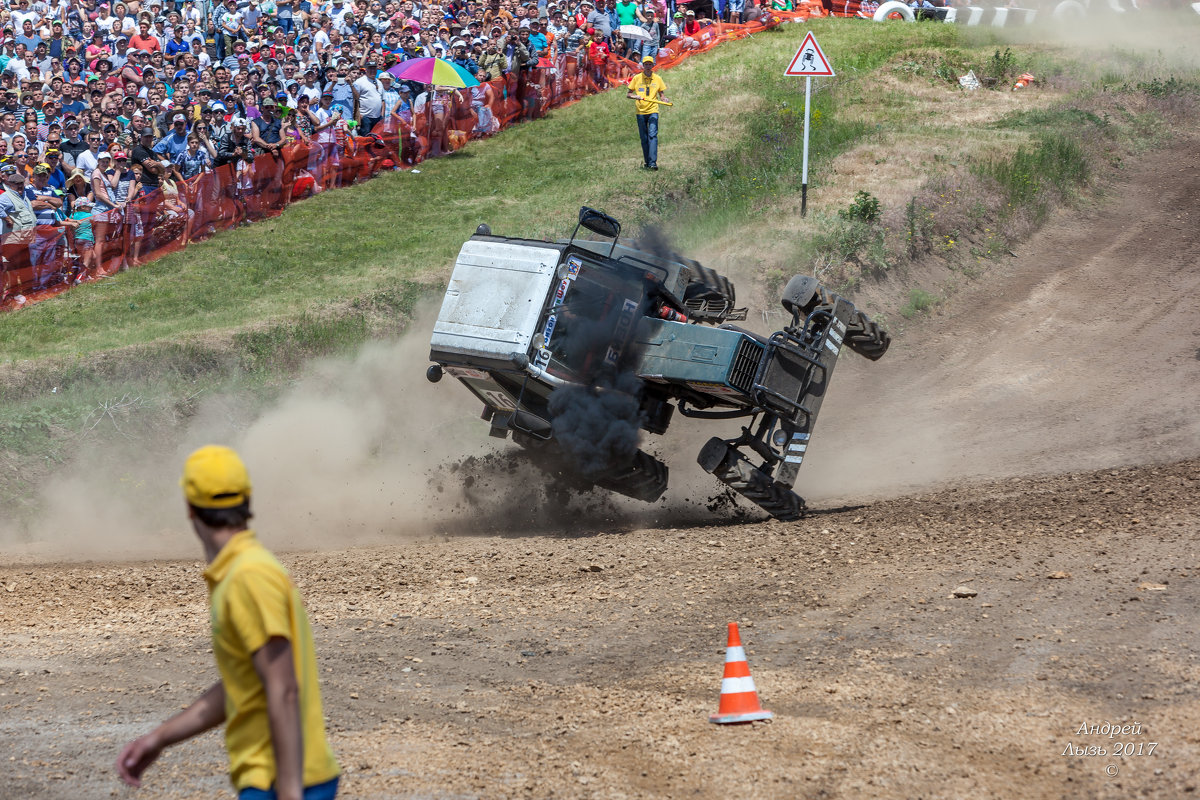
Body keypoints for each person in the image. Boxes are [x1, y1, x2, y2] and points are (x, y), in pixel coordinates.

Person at [115, 445, 341, 800]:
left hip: (281, 781)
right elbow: (247, 683)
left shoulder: (248, 576)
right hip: (275, 778)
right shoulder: (239, 571)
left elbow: (283, 689)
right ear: (247, 500)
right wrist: (158, 738)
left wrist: (290, 791)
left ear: (189, 508)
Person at [626, 54, 667, 170]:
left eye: (650, 64)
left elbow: (662, 95)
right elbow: (628, 94)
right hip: (640, 111)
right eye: (646, 64)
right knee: (644, 138)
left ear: (653, 65)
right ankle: (647, 162)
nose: (648, 66)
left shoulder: (657, 78)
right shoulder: (637, 78)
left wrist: (664, 99)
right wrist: (636, 97)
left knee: (653, 135)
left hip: (653, 110)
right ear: (643, 66)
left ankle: (653, 162)